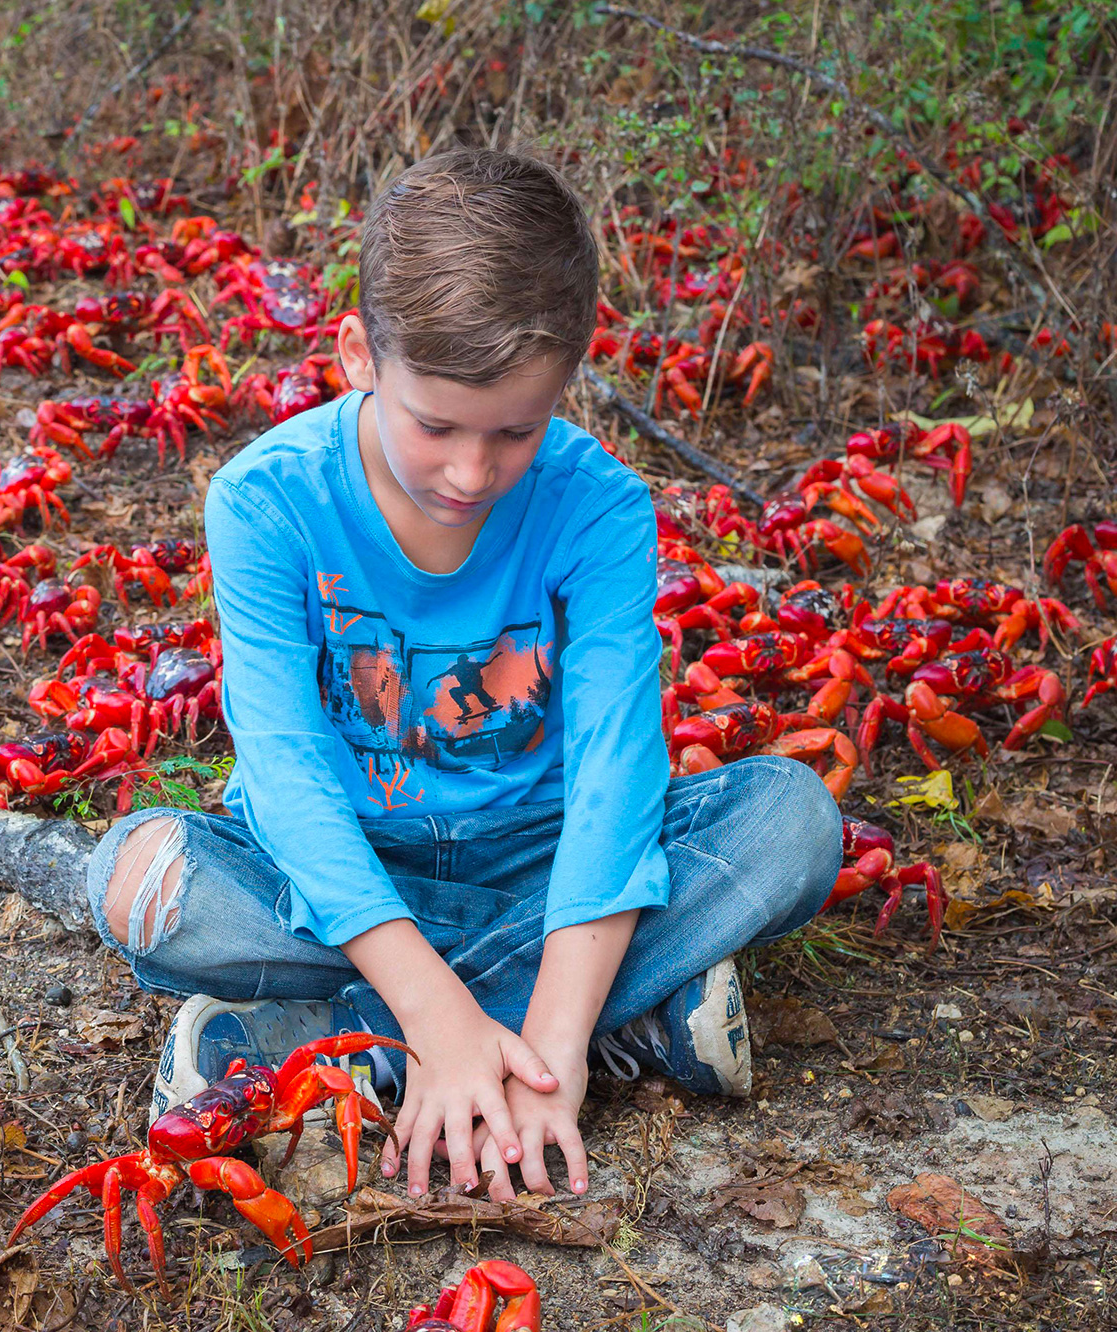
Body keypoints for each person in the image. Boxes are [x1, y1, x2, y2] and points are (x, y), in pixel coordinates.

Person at [86, 148, 842, 1205]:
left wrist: (555, 1044)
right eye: (433, 424)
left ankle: (357, 1048)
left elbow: (616, 780)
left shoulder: (599, 509)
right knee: (136, 875)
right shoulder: (264, 503)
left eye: (514, 431)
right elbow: (289, 776)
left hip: (540, 864)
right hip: (336, 873)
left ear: (564, 386)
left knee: (791, 820)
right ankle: (586, 1019)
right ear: (356, 354)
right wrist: (446, 1011)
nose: (469, 473)